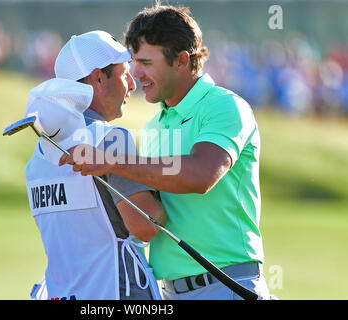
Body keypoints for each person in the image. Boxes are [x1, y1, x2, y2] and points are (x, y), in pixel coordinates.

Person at [59, 5, 272, 300]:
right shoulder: (153, 127)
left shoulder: (224, 106)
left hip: (226, 286)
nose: (137, 75)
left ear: (181, 60)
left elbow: (201, 175)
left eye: (146, 62)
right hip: (169, 292)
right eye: (134, 62)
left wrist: (112, 161)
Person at [26, 30, 166, 300]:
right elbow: (145, 225)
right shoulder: (110, 138)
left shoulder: (38, 156)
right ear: (98, 79)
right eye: (124, 73)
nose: (132, 84)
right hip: (117, 291)